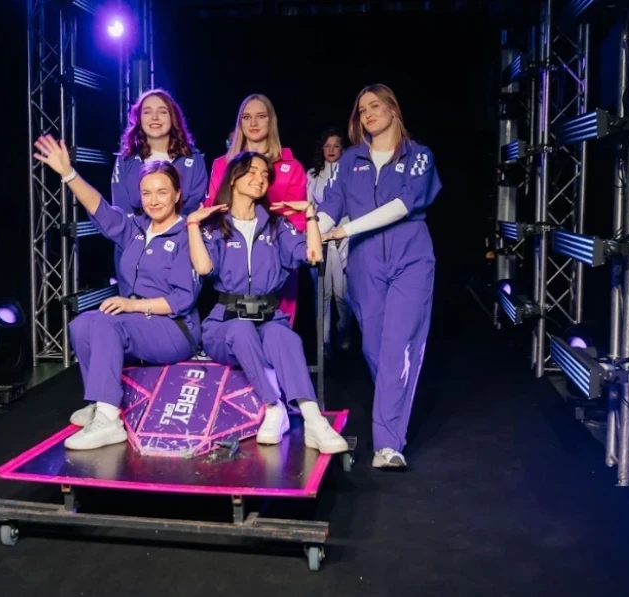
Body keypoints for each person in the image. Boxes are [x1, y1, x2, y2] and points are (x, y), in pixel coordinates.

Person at [34, 134, 202, 451]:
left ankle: (109, 420)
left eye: (162, 192)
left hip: (176, 329)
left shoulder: (186, 234)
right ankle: (100, 403)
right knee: (82, 324)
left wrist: (131, 305)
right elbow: (99, 207)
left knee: (107, 321)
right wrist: (68, 173)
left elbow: (182, 300)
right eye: (147, 193)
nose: (154, 200)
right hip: (137, 322)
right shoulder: (133, 227)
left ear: (177, 194)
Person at [187, 152, 348, 453]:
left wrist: (310, 214)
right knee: (241, 329)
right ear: (233, 178)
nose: (260, 178)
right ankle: (273, 408)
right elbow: (204, 268)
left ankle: (314, 421)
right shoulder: (215, 226)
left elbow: (313, 255)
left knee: (284, 337)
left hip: (268, 316)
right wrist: (193, 225)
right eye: (252, 172)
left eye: (265, 175)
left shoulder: (277, 225)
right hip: (224, 323)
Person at [317, 84, 442, 469]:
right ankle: (395, 405)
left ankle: (388, 445)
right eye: (362, 109)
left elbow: (404, 204)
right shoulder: (350, 160)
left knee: (396, 348)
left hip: (410, 255)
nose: (368, 113)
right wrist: (314, 233)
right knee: (374, 348)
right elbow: (332, 205)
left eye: (375, 106)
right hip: (365, 261)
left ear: (392, 109)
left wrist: (346, 230)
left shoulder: (418, 155)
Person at [203, 94, 309, 325]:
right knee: (237, 332)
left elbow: (297, 220)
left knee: (278, 332)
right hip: (234, 257)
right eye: (246, 117)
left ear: (271, 121)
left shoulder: (291, 166)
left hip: (278, 259)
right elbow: (215, 209)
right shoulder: (222, 164)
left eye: (260, 116)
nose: (253, 123)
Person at [111, 89, 207, 216]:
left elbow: (194, 208)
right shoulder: (125, 159)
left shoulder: (194, 158)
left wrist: (172, 227)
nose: (154, 117)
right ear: (139, 119)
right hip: (135, 229)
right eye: (147, 112)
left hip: (184, 228)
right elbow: (121, 212)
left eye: (162, 112)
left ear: (173, 117)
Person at [307, 128, 351, 357]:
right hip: (320, 238)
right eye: (327, 145)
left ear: (343, 149)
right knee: (321, 293)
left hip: (344, 238)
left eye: (336, 145)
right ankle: (323, 342)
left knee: (342, 294)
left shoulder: (350, 172)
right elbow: (307, 208)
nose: (331, 150)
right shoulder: (312, 175)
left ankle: (343, 330)